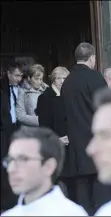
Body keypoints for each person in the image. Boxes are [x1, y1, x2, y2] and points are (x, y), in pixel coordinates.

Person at [61, 42, 111, 214]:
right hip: (97, 139)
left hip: (76, 141)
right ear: (92, 58)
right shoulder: (95, 77)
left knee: (82, 184)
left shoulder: (67, 81)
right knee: (102, 185)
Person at [1, 127, 87, 216]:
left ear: (48, 166)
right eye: (10, 160)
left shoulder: (71, 213)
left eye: (23, 159)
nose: (11, 169)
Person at [36, 66, 73, 198]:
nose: (62, 81)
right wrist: (57, 139)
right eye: (59, 78)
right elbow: (44, 125)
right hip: (55, 143)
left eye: (65, 78)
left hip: (69, 143)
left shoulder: (68, 95)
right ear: (53, 79)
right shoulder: (45, 98)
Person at [0, 62, 24, 211]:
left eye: (21, 76)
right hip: (5, 132)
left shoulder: (22, 89)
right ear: (8, 74)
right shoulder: (3, 91)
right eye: (16, 75)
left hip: (18, 130)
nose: (19, 79)